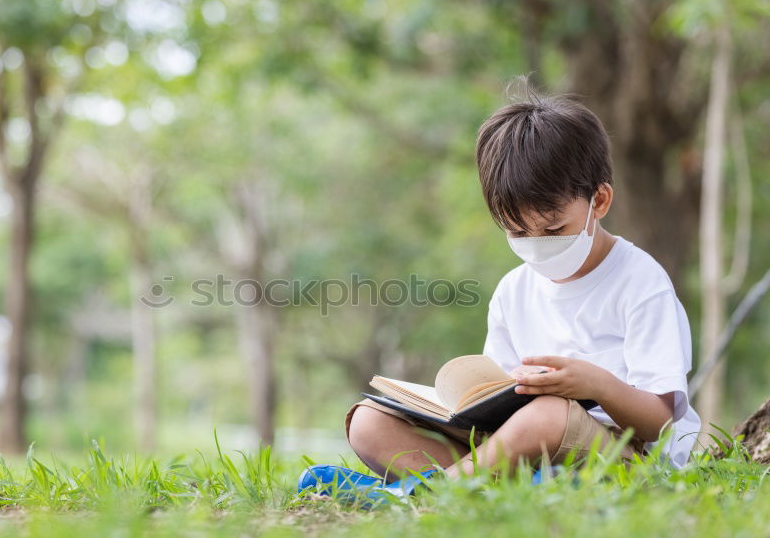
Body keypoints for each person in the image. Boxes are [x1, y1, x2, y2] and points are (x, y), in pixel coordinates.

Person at [299, 83, 701, 498]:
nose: (536, 244)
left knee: (548, 415)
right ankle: (492, 489)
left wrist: (595, 385)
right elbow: (495, 412)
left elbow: (660, 422)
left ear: (599, 201)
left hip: (623, 455)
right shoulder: (513, 290)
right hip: (524, 449)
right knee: (369, 420)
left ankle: (426, 493)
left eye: (553, 229)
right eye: (517, 231)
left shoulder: (641, 281)